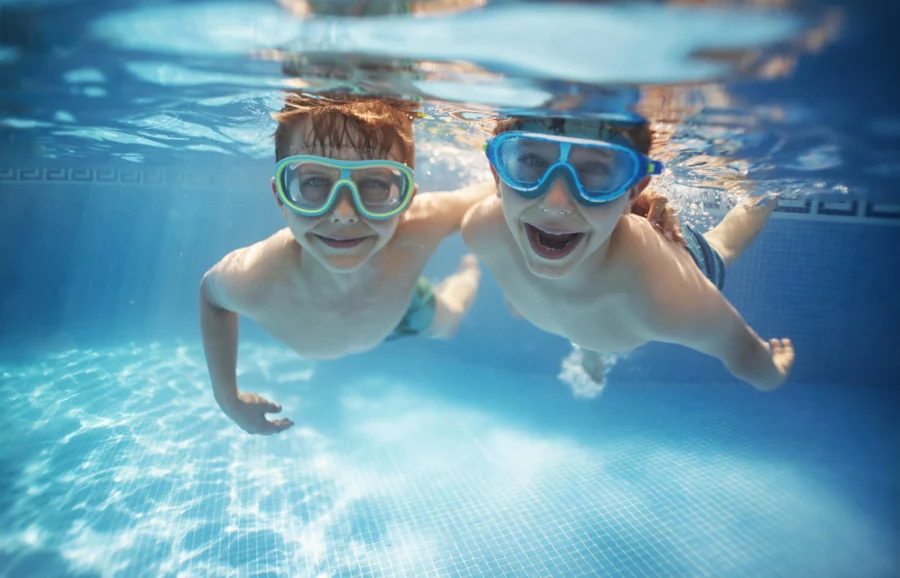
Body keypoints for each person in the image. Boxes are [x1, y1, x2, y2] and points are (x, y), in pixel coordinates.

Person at [200, 94, 491, 435]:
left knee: (449, 321)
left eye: (374, 185)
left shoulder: (421, 225)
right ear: (281, 196)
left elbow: (503, 191)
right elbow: (211, 295)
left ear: (405, 201)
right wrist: (227, 397)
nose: (343, 213)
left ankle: (468, 271)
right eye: (314, 183)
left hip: (402, 304)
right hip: (383, 306)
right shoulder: (255, 277)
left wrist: (513, 265)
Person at [461, 116, 794, 393]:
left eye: (595, 170)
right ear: (496, 174)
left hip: (676, 262)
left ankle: (765, 192)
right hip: (594, 317)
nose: (555, 203)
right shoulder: (483, 231)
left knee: (724, 245)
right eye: (532, 161)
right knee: (587, 324)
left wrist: (771, 372)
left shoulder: (663, 293)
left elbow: (743, 354)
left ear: (633, 191)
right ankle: (591, 349)